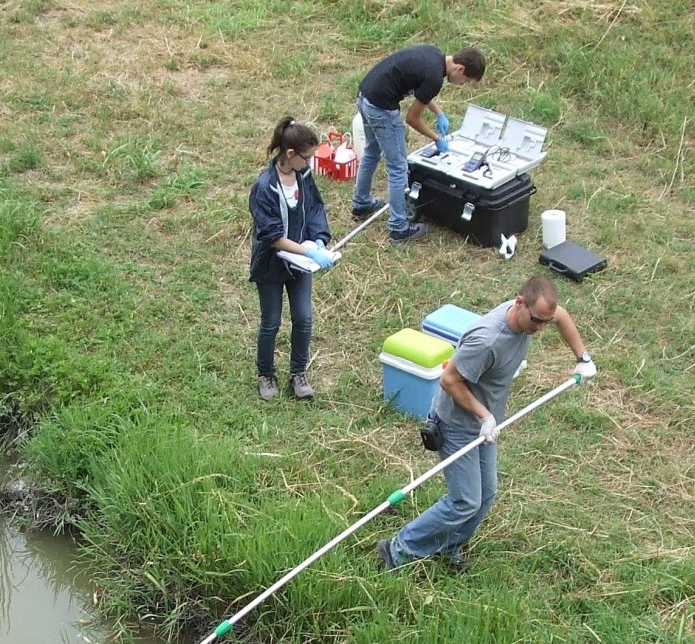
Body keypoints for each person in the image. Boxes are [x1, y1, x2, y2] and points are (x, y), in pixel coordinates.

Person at [377, 275, 597, 570]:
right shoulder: (486, 340)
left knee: (487, 494)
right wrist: (485, 415)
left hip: (485, 426)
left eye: (545, 322)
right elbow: (449, 380)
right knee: (465, 501)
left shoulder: (536, 312)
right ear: (519, 302)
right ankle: (398, 549)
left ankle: (447, 547)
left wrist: (582, 357)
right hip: (455, 424)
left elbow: (562, 316)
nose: (540, 329)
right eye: (536, 321)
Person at [351, 45, 485, 243]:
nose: (462, 84)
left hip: (366, 96)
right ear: (460, 69)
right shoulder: (434, 78)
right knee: (398, 167)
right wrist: (436, 138)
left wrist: (438, 112)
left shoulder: (434, 55)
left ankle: (361, 203)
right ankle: (399, 228)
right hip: (381, 108)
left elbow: (422, 92)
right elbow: (412, 118)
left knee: (372, 151)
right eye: (465, 82)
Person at [249, 117, 333, 401]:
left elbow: (315, 208)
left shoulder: (304, 177)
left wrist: (319, 238)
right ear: (289, 154)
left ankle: (298, 372)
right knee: (271, 321)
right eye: (306, 157)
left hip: (300, 265)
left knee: (303, 317)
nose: (310, 163)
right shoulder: (264, 188)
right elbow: (272, 237)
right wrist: (308, 251)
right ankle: (266, 375)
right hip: (272, 264)